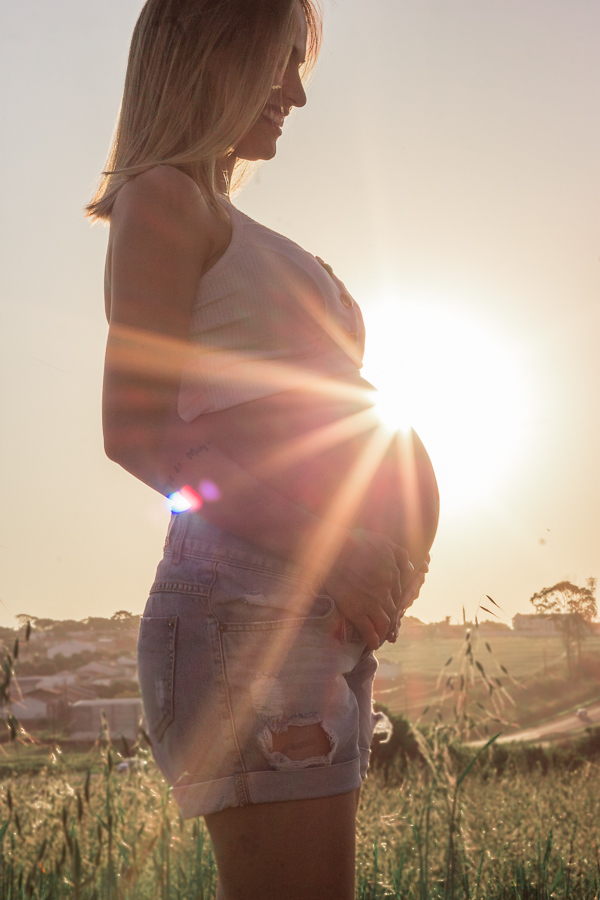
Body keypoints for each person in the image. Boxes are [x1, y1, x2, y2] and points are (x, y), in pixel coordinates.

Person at [88, 1, 438, 897]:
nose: (295, 95)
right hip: (251, 602)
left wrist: (385, 559)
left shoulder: (209, 210)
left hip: (293, 607)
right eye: (278, 64)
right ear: (214, 55)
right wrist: (334, 549)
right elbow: (137, 432)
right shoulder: (162, 194)